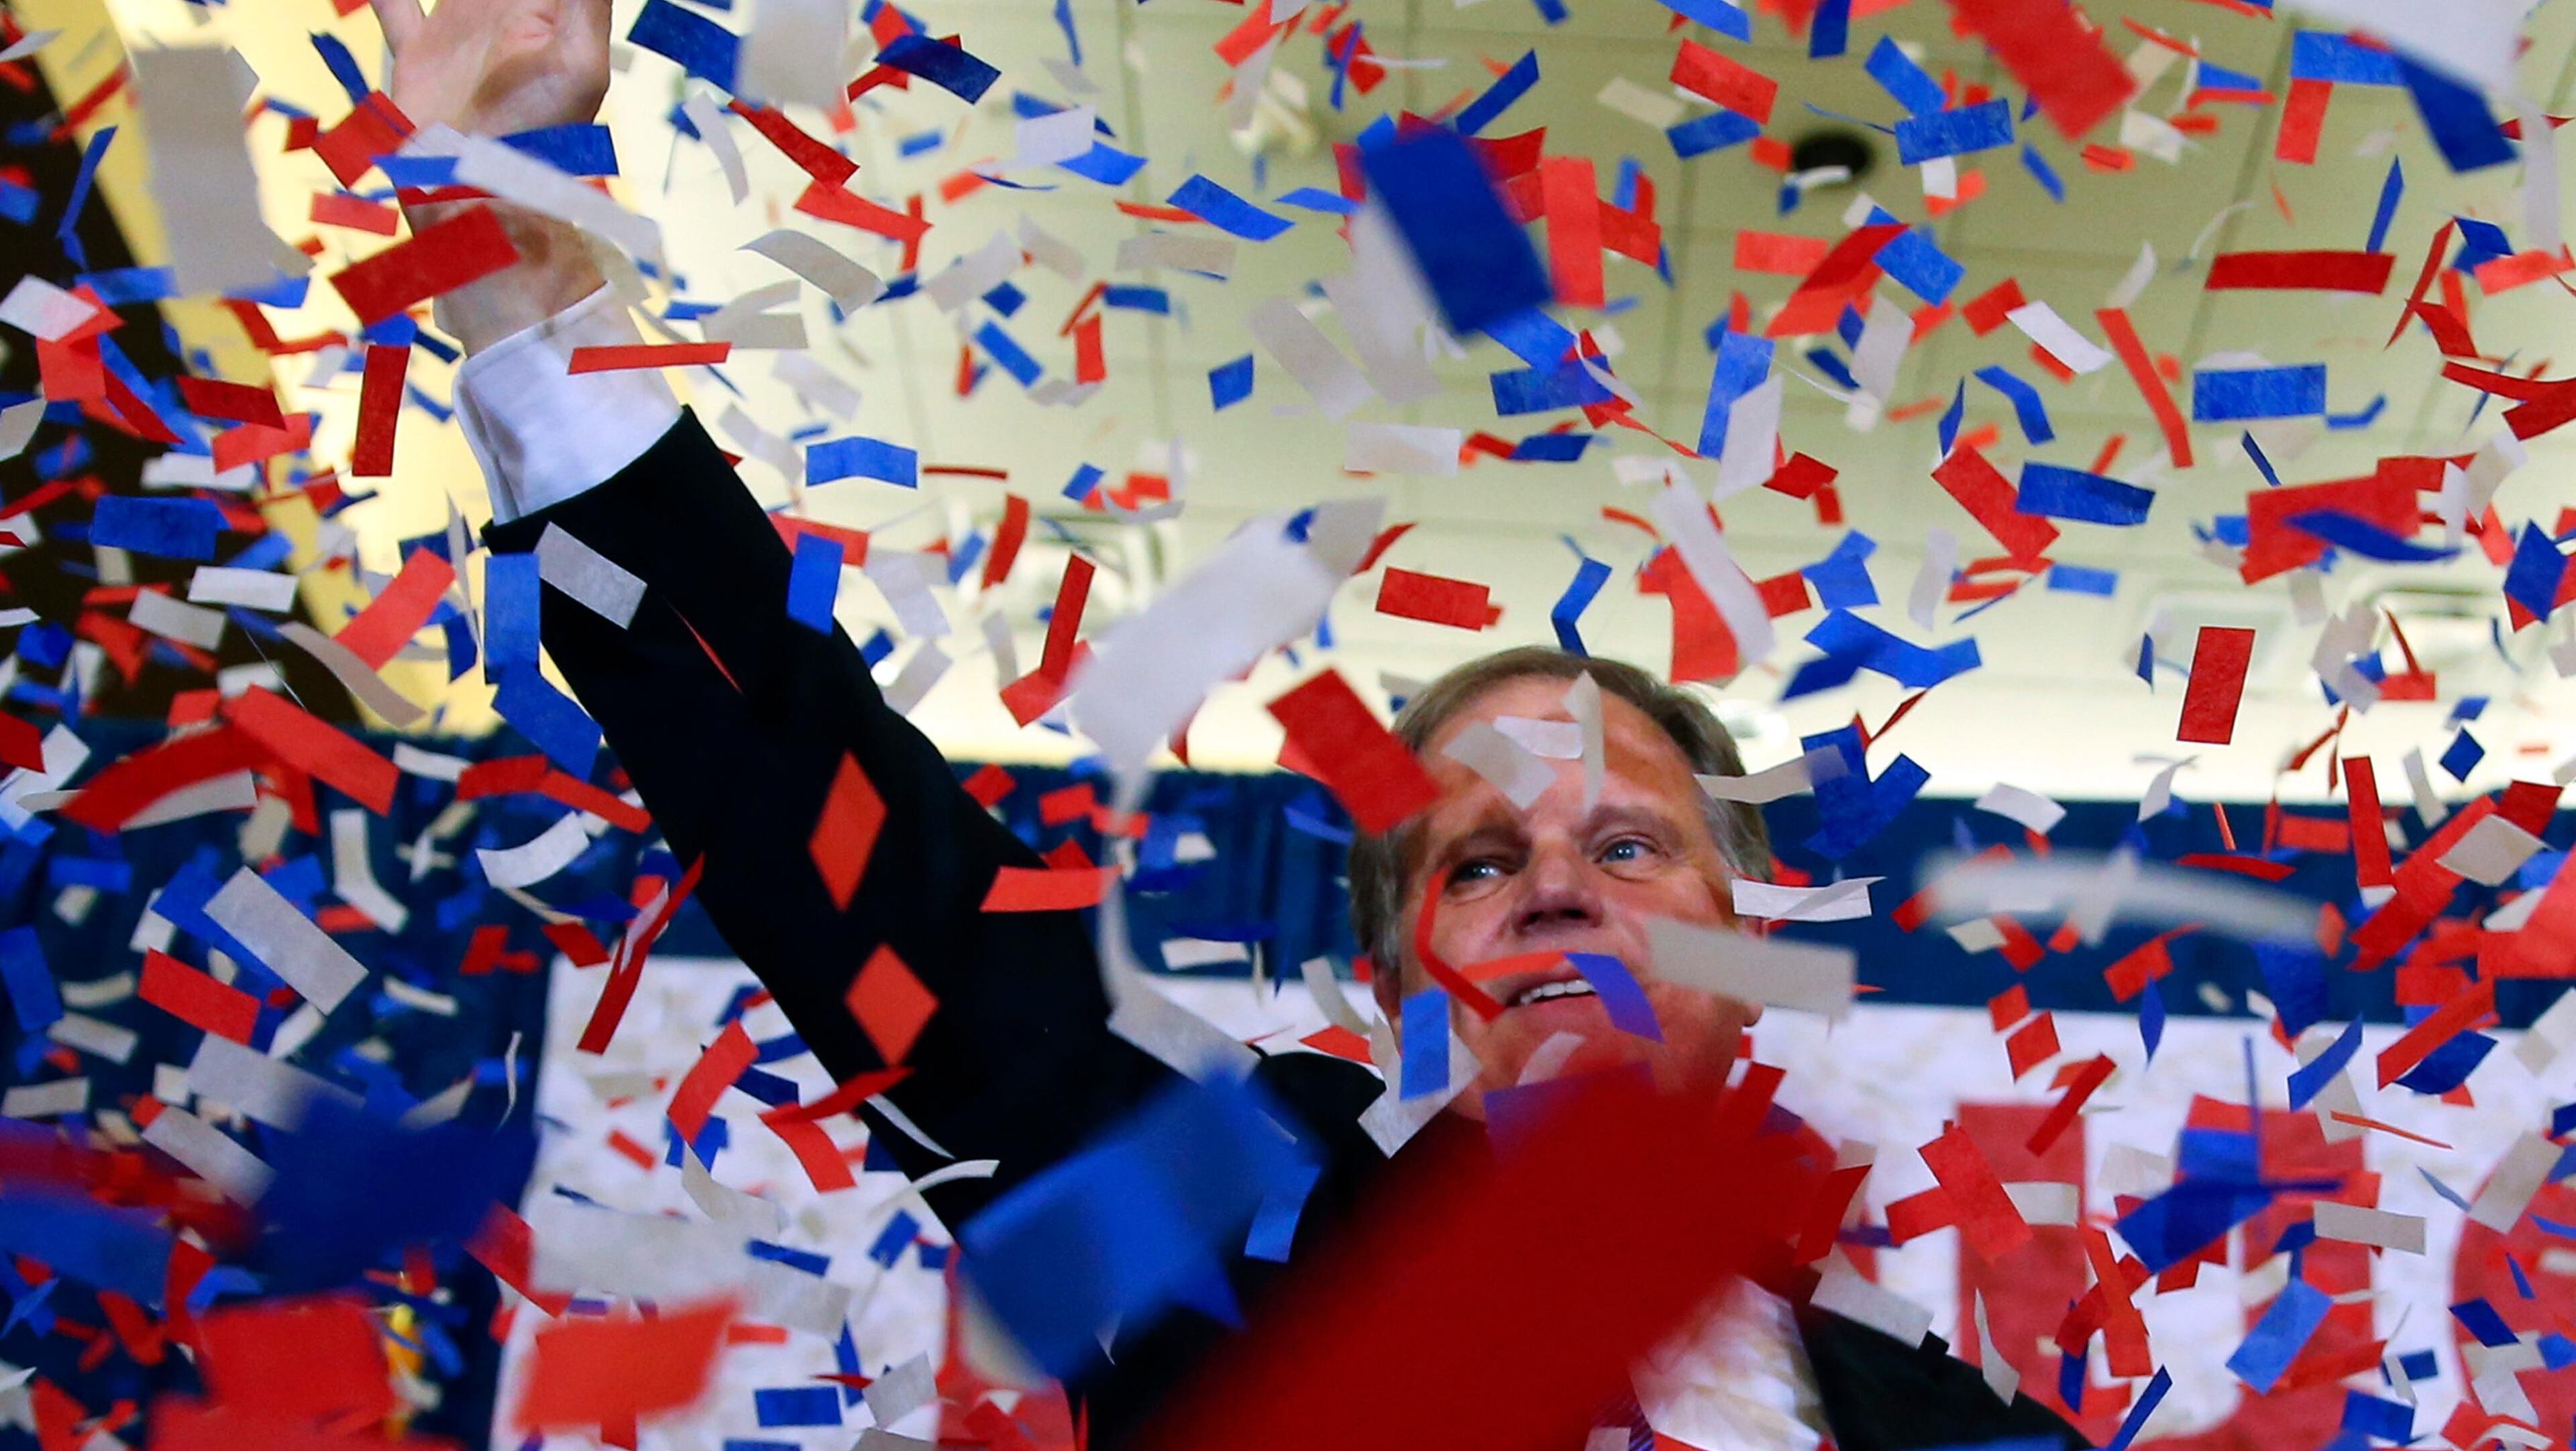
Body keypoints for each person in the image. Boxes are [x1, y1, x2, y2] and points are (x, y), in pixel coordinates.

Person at [372, 0, 2092, 1446]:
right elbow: (883, 890)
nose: (1556, 886)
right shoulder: (1221, 1221)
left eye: (1625, 841)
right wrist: (521, 263)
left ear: (1749, 929)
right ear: (1402, 983)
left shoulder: (1967, 1429)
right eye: (1481, 861)